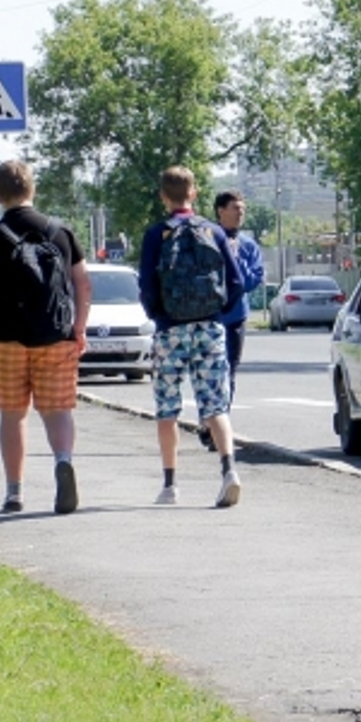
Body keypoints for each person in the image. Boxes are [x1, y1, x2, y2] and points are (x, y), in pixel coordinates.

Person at [0, 159, 92, 514]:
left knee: (13, 413)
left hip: (4, 339)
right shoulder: (60, 232)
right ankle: (63, 460)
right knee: (58, 409)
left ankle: (14, 492)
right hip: (56, 335)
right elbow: (83, 284)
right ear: (32, 188)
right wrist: (79, 329)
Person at [138, 166, 245, 507]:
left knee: (167, 408)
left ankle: (170, 486)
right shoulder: (213, 231)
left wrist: (159, 314)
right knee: (215, 404)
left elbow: (146, 284)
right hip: (210, 327)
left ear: (163, 197)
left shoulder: (157, 235)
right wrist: (216, 309)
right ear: (194, 194)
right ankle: (229, 470)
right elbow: (237, 281)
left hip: (170, 329)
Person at [197, 190, 265, 451]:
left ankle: (219, 424)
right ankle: (207, 421)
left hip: (235, 317)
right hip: (208, 316)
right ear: (220, 211)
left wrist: (236, 260)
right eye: (235, 208)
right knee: (207, 371)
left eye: (242, 208)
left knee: (228, 371)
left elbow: (252, 281)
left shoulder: (248, 246)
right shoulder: (206, 238)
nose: (240, 213)